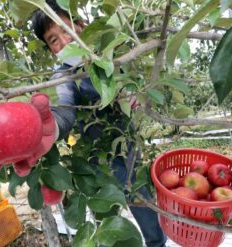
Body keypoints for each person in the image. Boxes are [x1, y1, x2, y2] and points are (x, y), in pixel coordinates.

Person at [32, 1, 167, 246]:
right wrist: (46, 130)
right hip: (95, 157)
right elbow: (62, 112)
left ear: (82, 26)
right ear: (51, 50)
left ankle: (156, 242)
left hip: (127, 146)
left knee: (140, 198)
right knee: (104, 215)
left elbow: (135, 83)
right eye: (53, 40)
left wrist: (134, 92)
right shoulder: (62, 76)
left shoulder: (113, 54)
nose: (64, 41)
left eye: (66, 29)